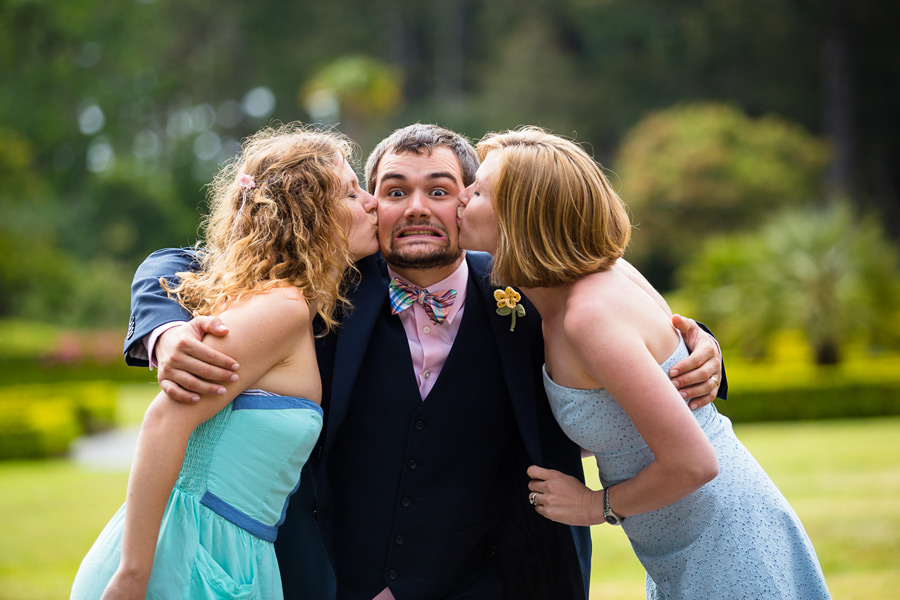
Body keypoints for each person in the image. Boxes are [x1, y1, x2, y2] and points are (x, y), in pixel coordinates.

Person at [124, 123, 725, 600]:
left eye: (438, 190)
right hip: (334, 581)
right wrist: (162, 333)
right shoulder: (324, 287)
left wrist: (696, 346)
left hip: (493, 581)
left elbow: (618, 300)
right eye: (393, 191)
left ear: (469, 203)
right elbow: (180, 261)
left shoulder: (526, 289)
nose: (416, 208)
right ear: (369, 204)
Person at [457, 126, 831, 599]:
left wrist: (596, 506)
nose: (462, 196)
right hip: (685, 542)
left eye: (479, 190)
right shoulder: (592, 279)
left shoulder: (589, 315)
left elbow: (694, 462)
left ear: (522, 215)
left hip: (723, 542)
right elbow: (630, 413)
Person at [71, 124, 379, 599]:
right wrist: (132, 576)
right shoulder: (283, 307)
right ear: (310, 214)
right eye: (351, 192)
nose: (372, 202)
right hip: (183, 556)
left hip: (238, 554)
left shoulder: (287, 303)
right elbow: (163, 419)